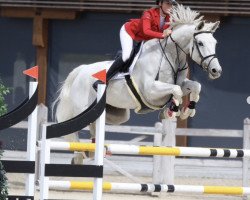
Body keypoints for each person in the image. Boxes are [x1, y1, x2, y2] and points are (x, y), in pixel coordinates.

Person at [93, 0, 176, 90]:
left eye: (171, 4)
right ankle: (102, 80)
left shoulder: (169, 18)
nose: (170, 6)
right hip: (129, 31)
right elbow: (146, 31)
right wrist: (162, 35)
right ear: (160, 3)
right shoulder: (148, 13)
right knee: (126, 55)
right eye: (167, 3)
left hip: (144, 38)